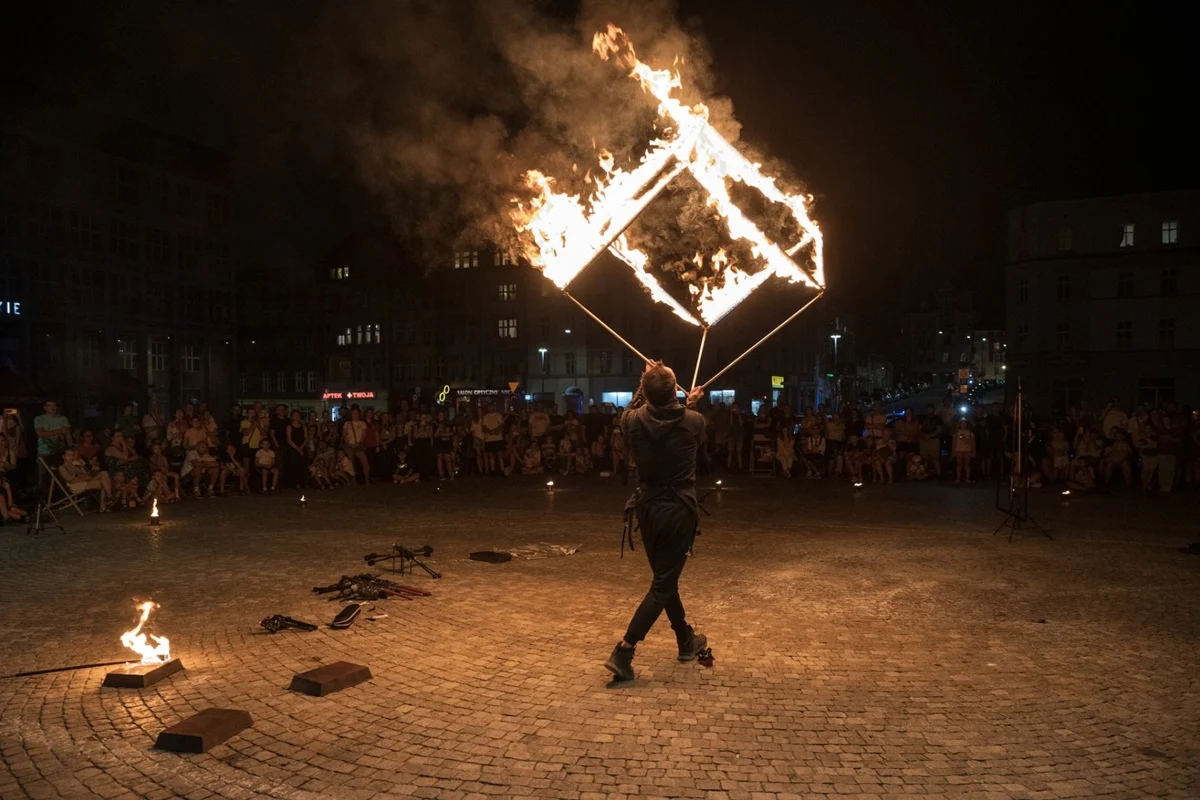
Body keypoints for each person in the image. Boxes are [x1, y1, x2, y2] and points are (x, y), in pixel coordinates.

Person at [605, 361, 708, 683]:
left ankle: (685, 640)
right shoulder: (694, 420)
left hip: (647, 509)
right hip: (677, 511)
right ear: (675, 391)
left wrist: (645, 379)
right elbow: (690, 433)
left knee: (665, 578)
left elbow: (636, 406)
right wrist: (691, 404)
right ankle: (624, 650)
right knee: (663, 582)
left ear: (645, 392)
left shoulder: (631, 420)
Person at [34, 399, 73, 465]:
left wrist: (71, 448)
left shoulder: (63, 418)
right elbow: (40, 433)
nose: (52, 408)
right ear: (45, 408)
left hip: (60, 451)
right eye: (49, 405)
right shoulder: (39, 419)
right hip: (44, 451)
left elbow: (68, 435)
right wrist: (60, 431)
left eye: (54, 406)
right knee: (44, 471)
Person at [341, 407, 370, 484]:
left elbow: (364, 435)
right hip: (350, 445)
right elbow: (344, 435)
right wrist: (349, 444)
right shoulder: (347, 423)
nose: (355, 415)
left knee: (365, 463)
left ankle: (366, 479)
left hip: (359, 445)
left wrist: (359, 443)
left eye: (357, 413)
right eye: (354, 413)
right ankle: (353, 480)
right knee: (352, 464)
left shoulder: (362, 423)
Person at [482, 403, 505, 475]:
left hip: (498, 438)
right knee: (491, 456)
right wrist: (489, 431)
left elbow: (501, 425)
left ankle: (502, 470)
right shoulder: (486, 417)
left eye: (492, 407)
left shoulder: (499, 415)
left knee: (500, 455)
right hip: (489, 439)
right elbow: (484, 427)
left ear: (494, 407)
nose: (490, 408)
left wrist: (494, 430)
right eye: (489, 407)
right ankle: (493, 471)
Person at [952, 418, 975, 483]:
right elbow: (954, 442)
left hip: (968, 450)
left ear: (967, 424)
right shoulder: (956, 432)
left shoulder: (970, 432)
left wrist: (973, 451)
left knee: (967, 464)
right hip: (958, 449)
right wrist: (953, 450)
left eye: (965, 423)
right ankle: (958, 478)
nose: (963, 425)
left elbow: (973, 442)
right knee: (959, 464)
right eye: (962, 423)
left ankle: (967, 478)